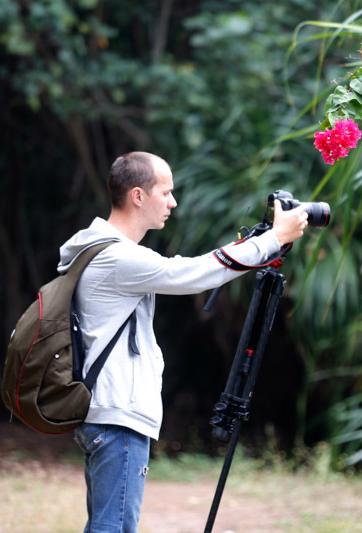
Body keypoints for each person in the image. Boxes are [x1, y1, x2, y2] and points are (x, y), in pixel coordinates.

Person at [57, 151, 307, 532]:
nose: (173, 202)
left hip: (104, 413)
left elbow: (193, 268)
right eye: (166, 192)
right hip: (117, 418)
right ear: (138, 196)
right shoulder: (117, 257)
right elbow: (192, 273)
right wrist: (274, 239)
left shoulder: (96, 248)